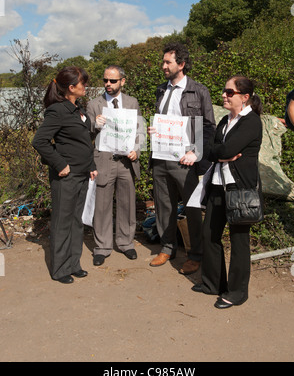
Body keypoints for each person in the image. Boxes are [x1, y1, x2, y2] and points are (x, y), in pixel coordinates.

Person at [191, 75, 263, 309]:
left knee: (239, 241)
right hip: (217, 185)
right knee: (209, 234)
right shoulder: (224, 120)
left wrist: (220, 152)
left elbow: (227, 148)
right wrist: (221, 153)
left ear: (244, 97)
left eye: (229, 92)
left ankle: (237, 292)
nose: (224, 95)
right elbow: (210, 149)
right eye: (224, 91)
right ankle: (213, 283)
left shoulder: (251, 122)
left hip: (239, 188)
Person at [148, 42, 216, 271]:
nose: (163, 66)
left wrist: (195, 152)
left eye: (168, 62)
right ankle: (167, 248)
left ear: (182, 64)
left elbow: (208, 127)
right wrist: (153, 130)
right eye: (163, 61)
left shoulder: (199, 90)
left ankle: (195, 254)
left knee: (192, 208)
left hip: (185, 161)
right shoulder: (161, 89)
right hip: (161, 158)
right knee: (163, 205)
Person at [32, 66, 98, 284]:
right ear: (71, 87)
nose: (86, 86)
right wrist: (60, 164)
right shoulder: (57, 111)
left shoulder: (77, 108)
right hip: (66, 177)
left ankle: (73, 264)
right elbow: (40, 141)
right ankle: (60, 269)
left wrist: (91, 165)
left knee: (76, 221)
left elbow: (83, 142)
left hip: (82, 174)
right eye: (83, 83)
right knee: (62, 221)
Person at [87, 65, 142, 266]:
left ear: (122, 81)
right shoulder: (94, 104)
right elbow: (87, 135)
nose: (108, 84)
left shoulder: (132, 102)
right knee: (101, 206)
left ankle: (126, 243)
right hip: (104, 161)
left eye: (112, 81)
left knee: (127, 203)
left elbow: (139, 131)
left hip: (126, 162)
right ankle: (102, 247)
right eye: (105, 81)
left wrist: (137, 149)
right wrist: (95, 124)